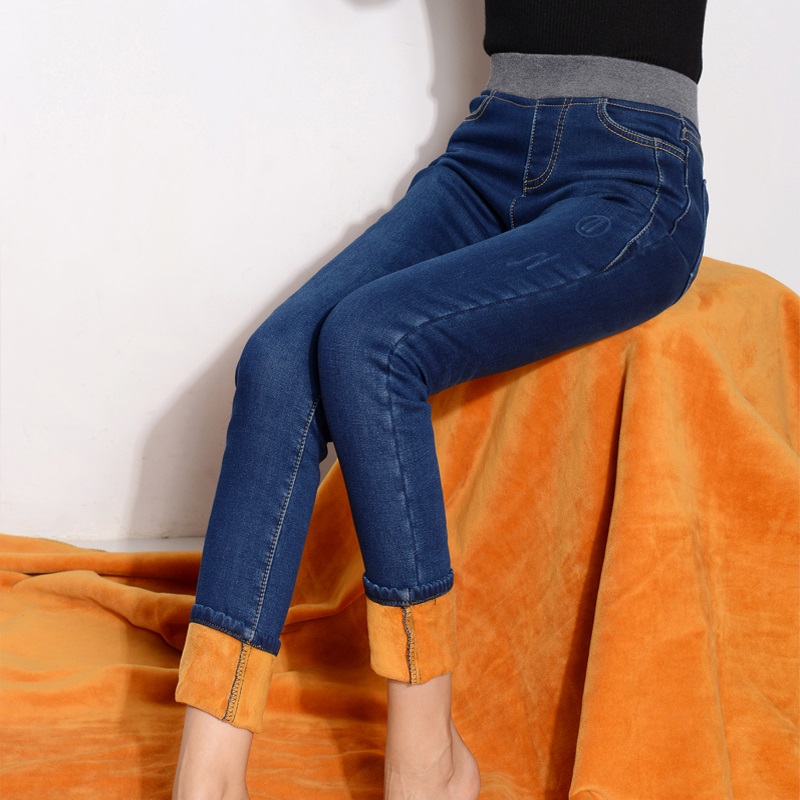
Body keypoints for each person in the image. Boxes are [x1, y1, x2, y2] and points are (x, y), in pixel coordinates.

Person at [172, 1, 709, 798]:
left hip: (635, 166)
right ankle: (208, 776)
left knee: (369, 341)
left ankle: (428, 765)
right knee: (279, 360)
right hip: (493, 145)